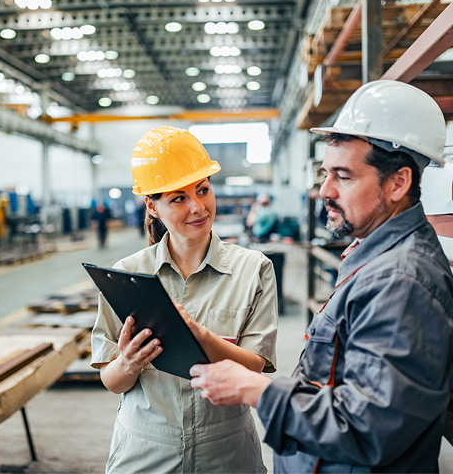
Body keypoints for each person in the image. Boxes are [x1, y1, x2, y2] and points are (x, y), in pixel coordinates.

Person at [190, 80, 453, 472]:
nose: (325, 191)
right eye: (325, 173)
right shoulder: (373, 255)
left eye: (343, 176)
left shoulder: (403, 281)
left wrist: (257, 389)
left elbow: (370, 427)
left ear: (399, 182)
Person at [90, 126, 278, 473]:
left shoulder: (253, 269)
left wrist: (199, 336)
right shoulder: (127, 275)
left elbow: (254, 366)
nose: (198, 207)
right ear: (153, 206)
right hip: (145, 450)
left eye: (203, 190)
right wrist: (129, 362)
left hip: (227, 451)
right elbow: (111, 380)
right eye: (178, 198)